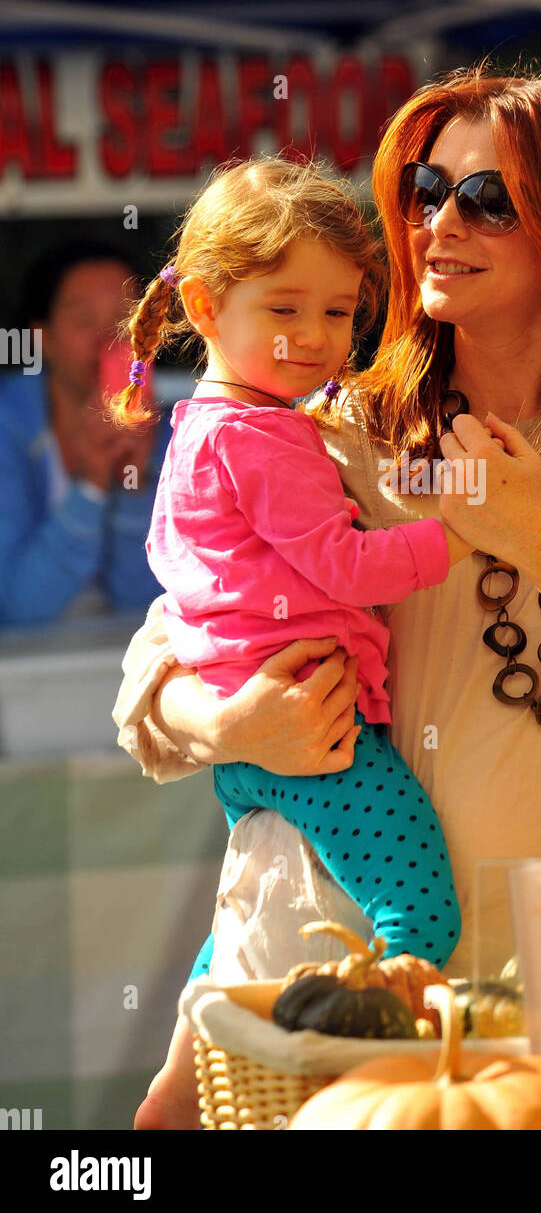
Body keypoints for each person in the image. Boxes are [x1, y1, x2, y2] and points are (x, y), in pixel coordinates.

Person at [114, 67, 541, 1128]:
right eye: (427, 191)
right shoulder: (336, 420)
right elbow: (165, 654)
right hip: (336, 951)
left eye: (486, 199)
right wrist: (232, 720)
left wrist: (531, 534)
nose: (437, 224)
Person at [112, 155, 469, 975]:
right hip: (318, 727)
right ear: (203, 305)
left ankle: (179, 1078)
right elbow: (344, 567)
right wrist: (463, 535)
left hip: (253, 730)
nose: (314, 336)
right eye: (284, 308)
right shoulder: (263, 437)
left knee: (244, 928)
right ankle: (385, 1020)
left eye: (339, 311)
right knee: (420, 916)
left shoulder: (205, 427)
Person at [0, 240, 170, 626]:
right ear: (41, 338)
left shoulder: (179, 430)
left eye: (127, 320)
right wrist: (91, 483)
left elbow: (146, 605)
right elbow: (17, 610)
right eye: (83, 321)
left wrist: (133, 481)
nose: (109, 342)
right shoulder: (7, 427)